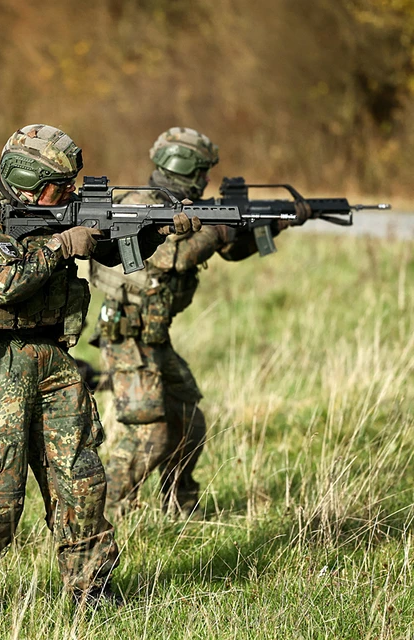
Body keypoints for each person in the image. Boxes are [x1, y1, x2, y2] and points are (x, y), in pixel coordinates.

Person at [0, 123, 192, 619]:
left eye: (72, 185)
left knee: (81, 478)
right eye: (59, 188)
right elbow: (0, 282)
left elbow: (109, 247)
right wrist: (63, 244)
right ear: (27, 179)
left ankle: (92, 588)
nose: (69, 194)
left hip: (51, 357)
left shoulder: (56, 208)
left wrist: (156, 229)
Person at [91, 126, 310, 516]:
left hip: (154, 337)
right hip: (125, 335)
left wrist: (275, 222)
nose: (209, 179)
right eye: (204, 171)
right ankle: (102, 514)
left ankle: (179, 506)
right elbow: (168, 257)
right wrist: (219, 228)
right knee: (150, 434)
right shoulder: (142, 202)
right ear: (184, 167)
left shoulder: (187, 206)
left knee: (189, 421)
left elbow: (227, 248)